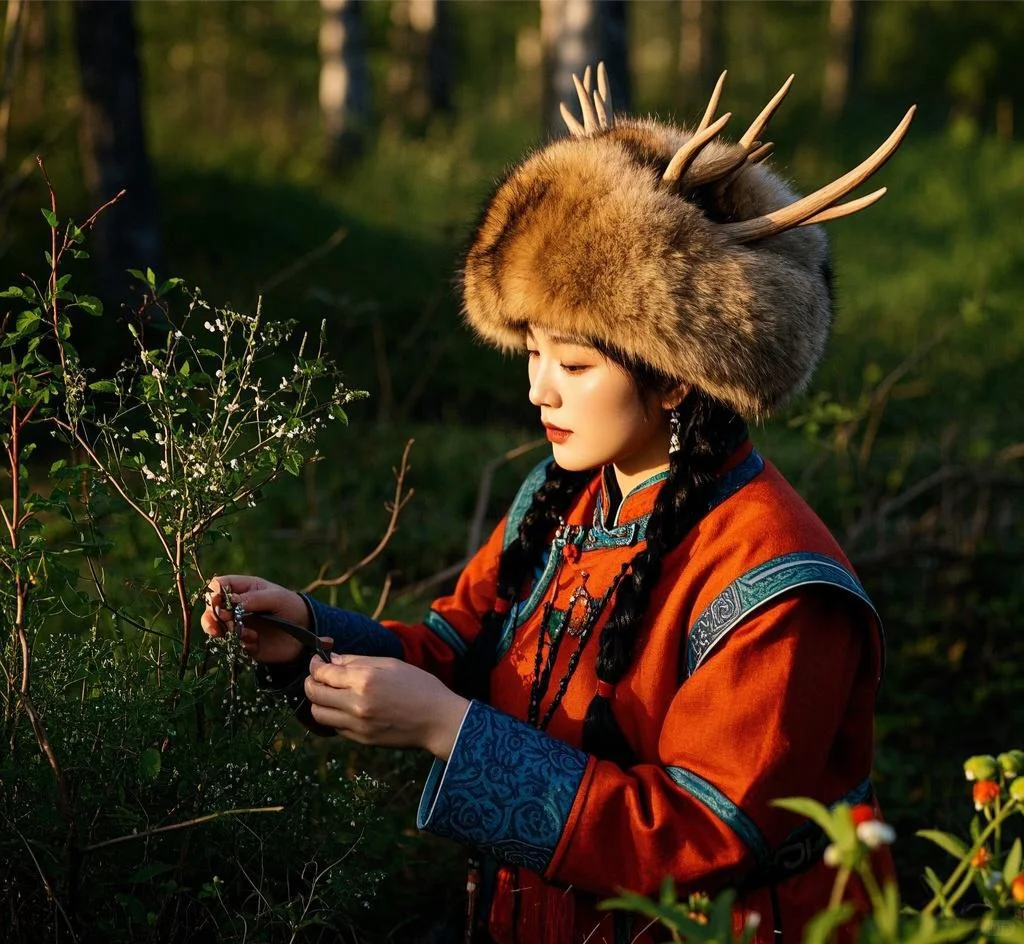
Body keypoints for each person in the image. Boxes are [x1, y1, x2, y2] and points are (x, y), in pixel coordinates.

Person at [202, 66, 913, 944]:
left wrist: (448, 732)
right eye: (532, 351)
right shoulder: (563, 497)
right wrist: (306, 634)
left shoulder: (778, 583)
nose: (540, 389)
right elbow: (456, 651)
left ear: (676, 376)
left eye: (574, 365)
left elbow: (705, 835)